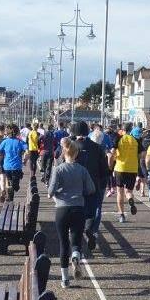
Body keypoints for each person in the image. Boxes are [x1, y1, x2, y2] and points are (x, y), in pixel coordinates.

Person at [49, 137, 98, 287]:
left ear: (64, 153)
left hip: (62, 209)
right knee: (76, 239)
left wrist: (57, 193)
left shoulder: (59, 169)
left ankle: (65, 279)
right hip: (78, 207)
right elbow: (91, 189)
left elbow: (51, 190)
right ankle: (76, 255)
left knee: (63, 243)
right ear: (76, 154)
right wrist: (79, 190)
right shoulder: (82, 170)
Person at [71, 122, 111, 244]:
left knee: (76, 210)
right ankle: (89, 229)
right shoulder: (97, 147)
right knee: (91, 210)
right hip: (93, 184)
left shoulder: (72, 147)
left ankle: (77, 238)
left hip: (75, 185)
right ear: (87, 132)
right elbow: (104, 169)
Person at [111, 123, 141, 221]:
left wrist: (113, 159)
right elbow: (141, 154)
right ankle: (130, 199)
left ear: (122, 130)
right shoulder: (136, 140)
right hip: (132, 168)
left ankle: (121, 215)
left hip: (120, 168)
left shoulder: (119, 139)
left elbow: (112, 151)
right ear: (131, 130)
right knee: (128, 191)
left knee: (119, 192)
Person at [0, 126, 28, 199]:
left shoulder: (4, 142)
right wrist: (25, 160)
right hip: (17, 167)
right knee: (16, 186)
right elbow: (27, 152)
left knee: (9, 181)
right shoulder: (20, 142)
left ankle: (10, 196)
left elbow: (0, 154)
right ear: (17, 132)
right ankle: (11, 193)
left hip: (7, 166)